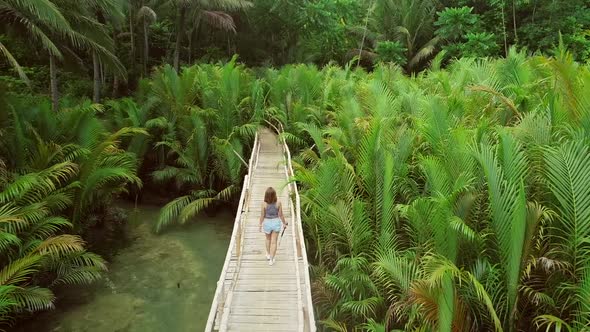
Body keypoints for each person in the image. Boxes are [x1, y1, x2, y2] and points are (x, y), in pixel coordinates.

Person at [258, 187, 287, 266]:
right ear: (275, 195)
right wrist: (284, 223)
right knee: (274, 242)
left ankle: (267, 254)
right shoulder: (278, 203)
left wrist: (260, 224)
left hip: (267, 222)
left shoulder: (263, 203)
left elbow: (262, 215)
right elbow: (280, 215)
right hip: (276, 222)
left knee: (268, 239)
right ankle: (271, 259)